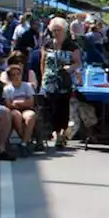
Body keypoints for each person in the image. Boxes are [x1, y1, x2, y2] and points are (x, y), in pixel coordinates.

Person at [42, 17, 80, 149]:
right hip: (50, 81)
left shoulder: (72, 46)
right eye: (54, 30)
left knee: (63, 108)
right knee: (53, 108)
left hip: (65, 81)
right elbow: (43, 62)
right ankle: (57, 134)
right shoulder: (47, 44)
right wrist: (43, 78)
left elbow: (78, 62)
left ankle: (63, 133)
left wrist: (71, 68)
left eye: (58, 30)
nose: (56, 33)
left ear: (64, 31)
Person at [3, 63, 38, 156]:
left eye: (18, 74)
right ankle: (26, 140)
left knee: (31, 116)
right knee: (16, 115)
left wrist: (18, 103)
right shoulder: (7, 89)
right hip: (14, 111)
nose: (16, 77)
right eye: (13, 75)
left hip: (27, 109)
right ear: (10, 77)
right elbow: (9, 105)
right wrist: (22, 103)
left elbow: (31, 102)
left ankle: (23, 143)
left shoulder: (27, 86)